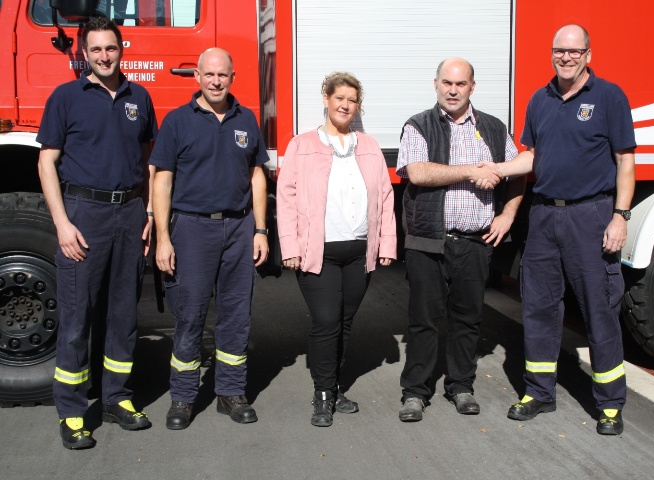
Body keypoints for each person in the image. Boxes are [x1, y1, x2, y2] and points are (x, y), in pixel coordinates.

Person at [499, 24, 636, 435]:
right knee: (538, 307)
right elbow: (533, 157)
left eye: (575, 51)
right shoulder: (539, 100)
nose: (566, 57)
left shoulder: (609, 97)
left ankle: (610, 404)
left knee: (599, 308)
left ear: (588, 55)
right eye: (560, 50)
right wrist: (497, 170)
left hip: (590, 215)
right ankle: (539, 393)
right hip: (543, 216)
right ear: (552, 53)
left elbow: (625, 161)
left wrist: (620, 216)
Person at [37, 16, 157, 450]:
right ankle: (72, 412)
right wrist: (62, 223)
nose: (105, 56)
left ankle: (117, 398)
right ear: (84, 54)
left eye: (112, 48)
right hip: (83, 215)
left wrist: (146, 210)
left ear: (122, 49)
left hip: (127, 214)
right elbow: (46, 162)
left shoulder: (138, 97)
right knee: (77, 318)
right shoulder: (66, 97)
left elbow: (148, 158)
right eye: (96, 50)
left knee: (124, 315)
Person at [396, 58, 526, 422]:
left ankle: (461, 386)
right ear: (435, 84)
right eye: (447, 83)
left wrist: (507, 215)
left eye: (461, 84)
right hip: (428, 241)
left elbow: (520, 172)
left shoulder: (496, 129)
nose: (453, 90)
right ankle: (415, 393)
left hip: (474, 242)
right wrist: (475, 170)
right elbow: (418, 172)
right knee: (423, 320)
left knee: (468, 319)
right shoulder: (418, 125)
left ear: (472, 86)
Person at [151, 48, 269, 430]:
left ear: (233, 77)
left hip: (239, 227)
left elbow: (256, 176)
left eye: (223, 75)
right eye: (209, 75)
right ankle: (183, 397)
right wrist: (163, 238)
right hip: (192, 228)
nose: (216, 81)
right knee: (190, 315)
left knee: (236, 315)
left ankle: (230, 393)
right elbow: (162, 180)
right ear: (197, 76)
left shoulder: (246, 119)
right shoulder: (177, 122)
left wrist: (261, 229)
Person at [277, 72, 397, 427]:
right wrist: (290, 246)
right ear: (326, 99)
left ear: (358, 106)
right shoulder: (301, 145)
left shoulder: (370, 145)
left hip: (359, 250)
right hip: (319, 251)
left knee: (344, 323)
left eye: (352, 100)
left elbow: (385, 197)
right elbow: (286, 197)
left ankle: (335, 386)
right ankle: (323, 395)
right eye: (339, 98)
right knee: (327, 321)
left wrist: (387, 242)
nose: (345, 105)